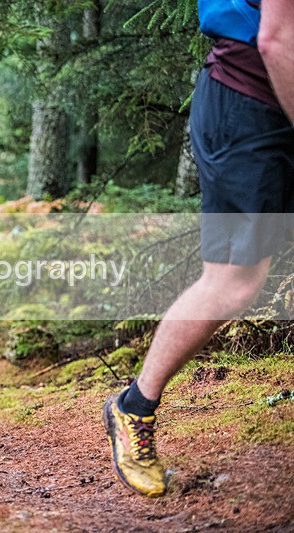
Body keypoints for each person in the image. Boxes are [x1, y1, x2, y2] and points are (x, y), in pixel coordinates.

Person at [102, 0, 294, 497]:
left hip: (256, 104)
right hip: (253, 106)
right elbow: (276, 36)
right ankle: (134, 406)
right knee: (232, 283)